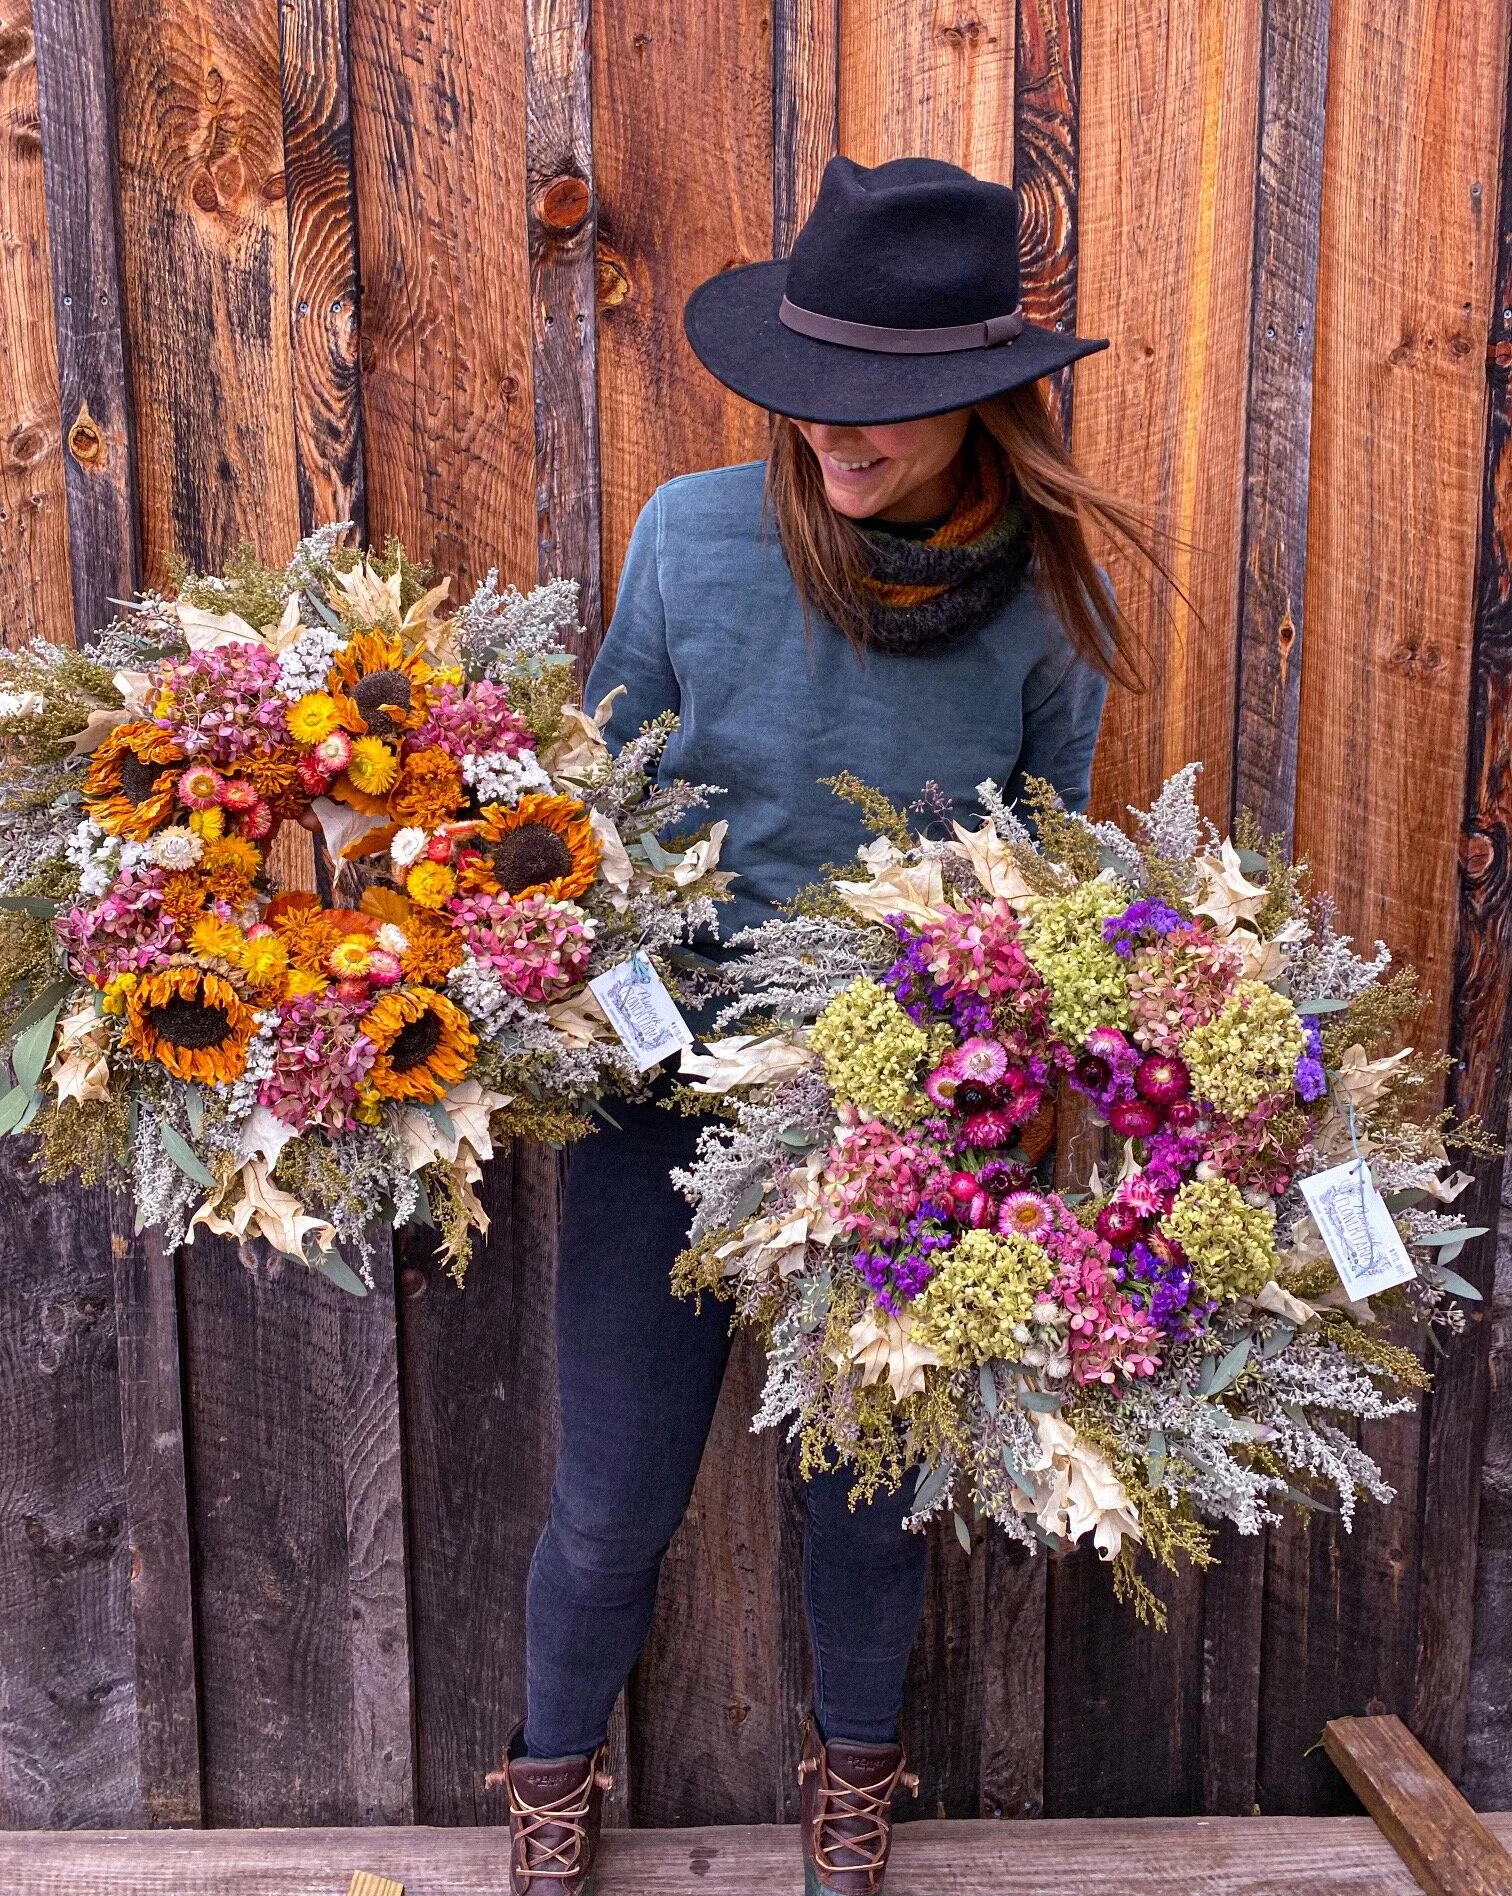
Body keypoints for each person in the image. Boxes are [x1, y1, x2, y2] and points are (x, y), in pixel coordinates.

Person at [496, 156, 1164, 1896]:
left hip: (906, 1123)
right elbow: (594, 821)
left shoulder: (1043, 597)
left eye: (879, 413)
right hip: (670, 1097)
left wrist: (995, 1078)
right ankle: (547, 1791)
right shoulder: (688, 535)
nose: (833, 441)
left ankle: (854, 1798)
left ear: (975, 405)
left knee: (872, 1500)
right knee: (614, 1496)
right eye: (810, 402)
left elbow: (1049, 880)